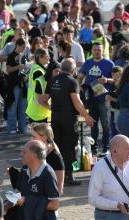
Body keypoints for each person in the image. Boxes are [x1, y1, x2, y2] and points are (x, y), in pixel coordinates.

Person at [41, 58, 94, 186]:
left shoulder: (53, 80)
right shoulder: (72, 81)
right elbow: (76, 101)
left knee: (57, 146)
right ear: (73, 69)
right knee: (69, 147)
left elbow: (43, 100)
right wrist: (87, 116)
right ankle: (68, 177)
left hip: (55, 118)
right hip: (69, 119)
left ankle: (56, 175)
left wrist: (52, 108)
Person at [15, 140, 60, 220]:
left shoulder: (48, 174)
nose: (21, 154)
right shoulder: (24, 170)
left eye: (24, 151)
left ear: (34, 155)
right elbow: (20, 194)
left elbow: (54, 204)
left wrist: (28, 201)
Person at [78, 42, 114, 155]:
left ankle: (106, 147)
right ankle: (93, 148)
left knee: (105, 124)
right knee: (93, 124)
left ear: (103, 51)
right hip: (91, 99)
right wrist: (79, 88)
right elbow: (80, 77)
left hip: (105, 99)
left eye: (99, 50)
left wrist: (107, 80)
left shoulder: (109, 64)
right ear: (92, 51)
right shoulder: (88, 63)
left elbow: (117, 79)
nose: (97, 52)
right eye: (95, 50)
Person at [30, 122, 65, 194]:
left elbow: (59, 186)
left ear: (44, 138)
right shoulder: (37, 153)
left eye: (34, 137)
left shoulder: (55, 156)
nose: (31, 139)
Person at [5, 38, 28, 134]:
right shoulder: (11, 56)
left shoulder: (23, 56)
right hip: (13, 84)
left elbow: (24, 69)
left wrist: (26, 70)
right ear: (17, 45)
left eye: (25, 47)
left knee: (22, 107)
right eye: (23, 47)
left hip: (22, 83)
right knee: (13, 107)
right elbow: (8, 70)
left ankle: (23, 128)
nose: (24, 49)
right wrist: (19, 67)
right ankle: (12, 128)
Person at [26, 48, 51, 123]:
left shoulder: (37, 68)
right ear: (40, 57)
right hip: (37, 111)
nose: (49, 57)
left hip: (36, 110)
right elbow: (40, 95)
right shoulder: (38, 71)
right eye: (47, 55)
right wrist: (51, 108)